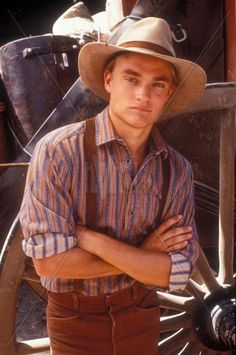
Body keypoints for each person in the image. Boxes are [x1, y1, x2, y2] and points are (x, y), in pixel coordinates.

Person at [19, 17, 206, 354]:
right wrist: (144, 256)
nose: (143, 95)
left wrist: (89, 239)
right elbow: (50, 264)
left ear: (170, 92)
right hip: (75, 321)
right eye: (131, 79)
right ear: (108, 80)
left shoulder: (176, 170)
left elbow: (176, 272)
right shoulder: (59, 152)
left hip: (142, 317)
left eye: (158, 84)